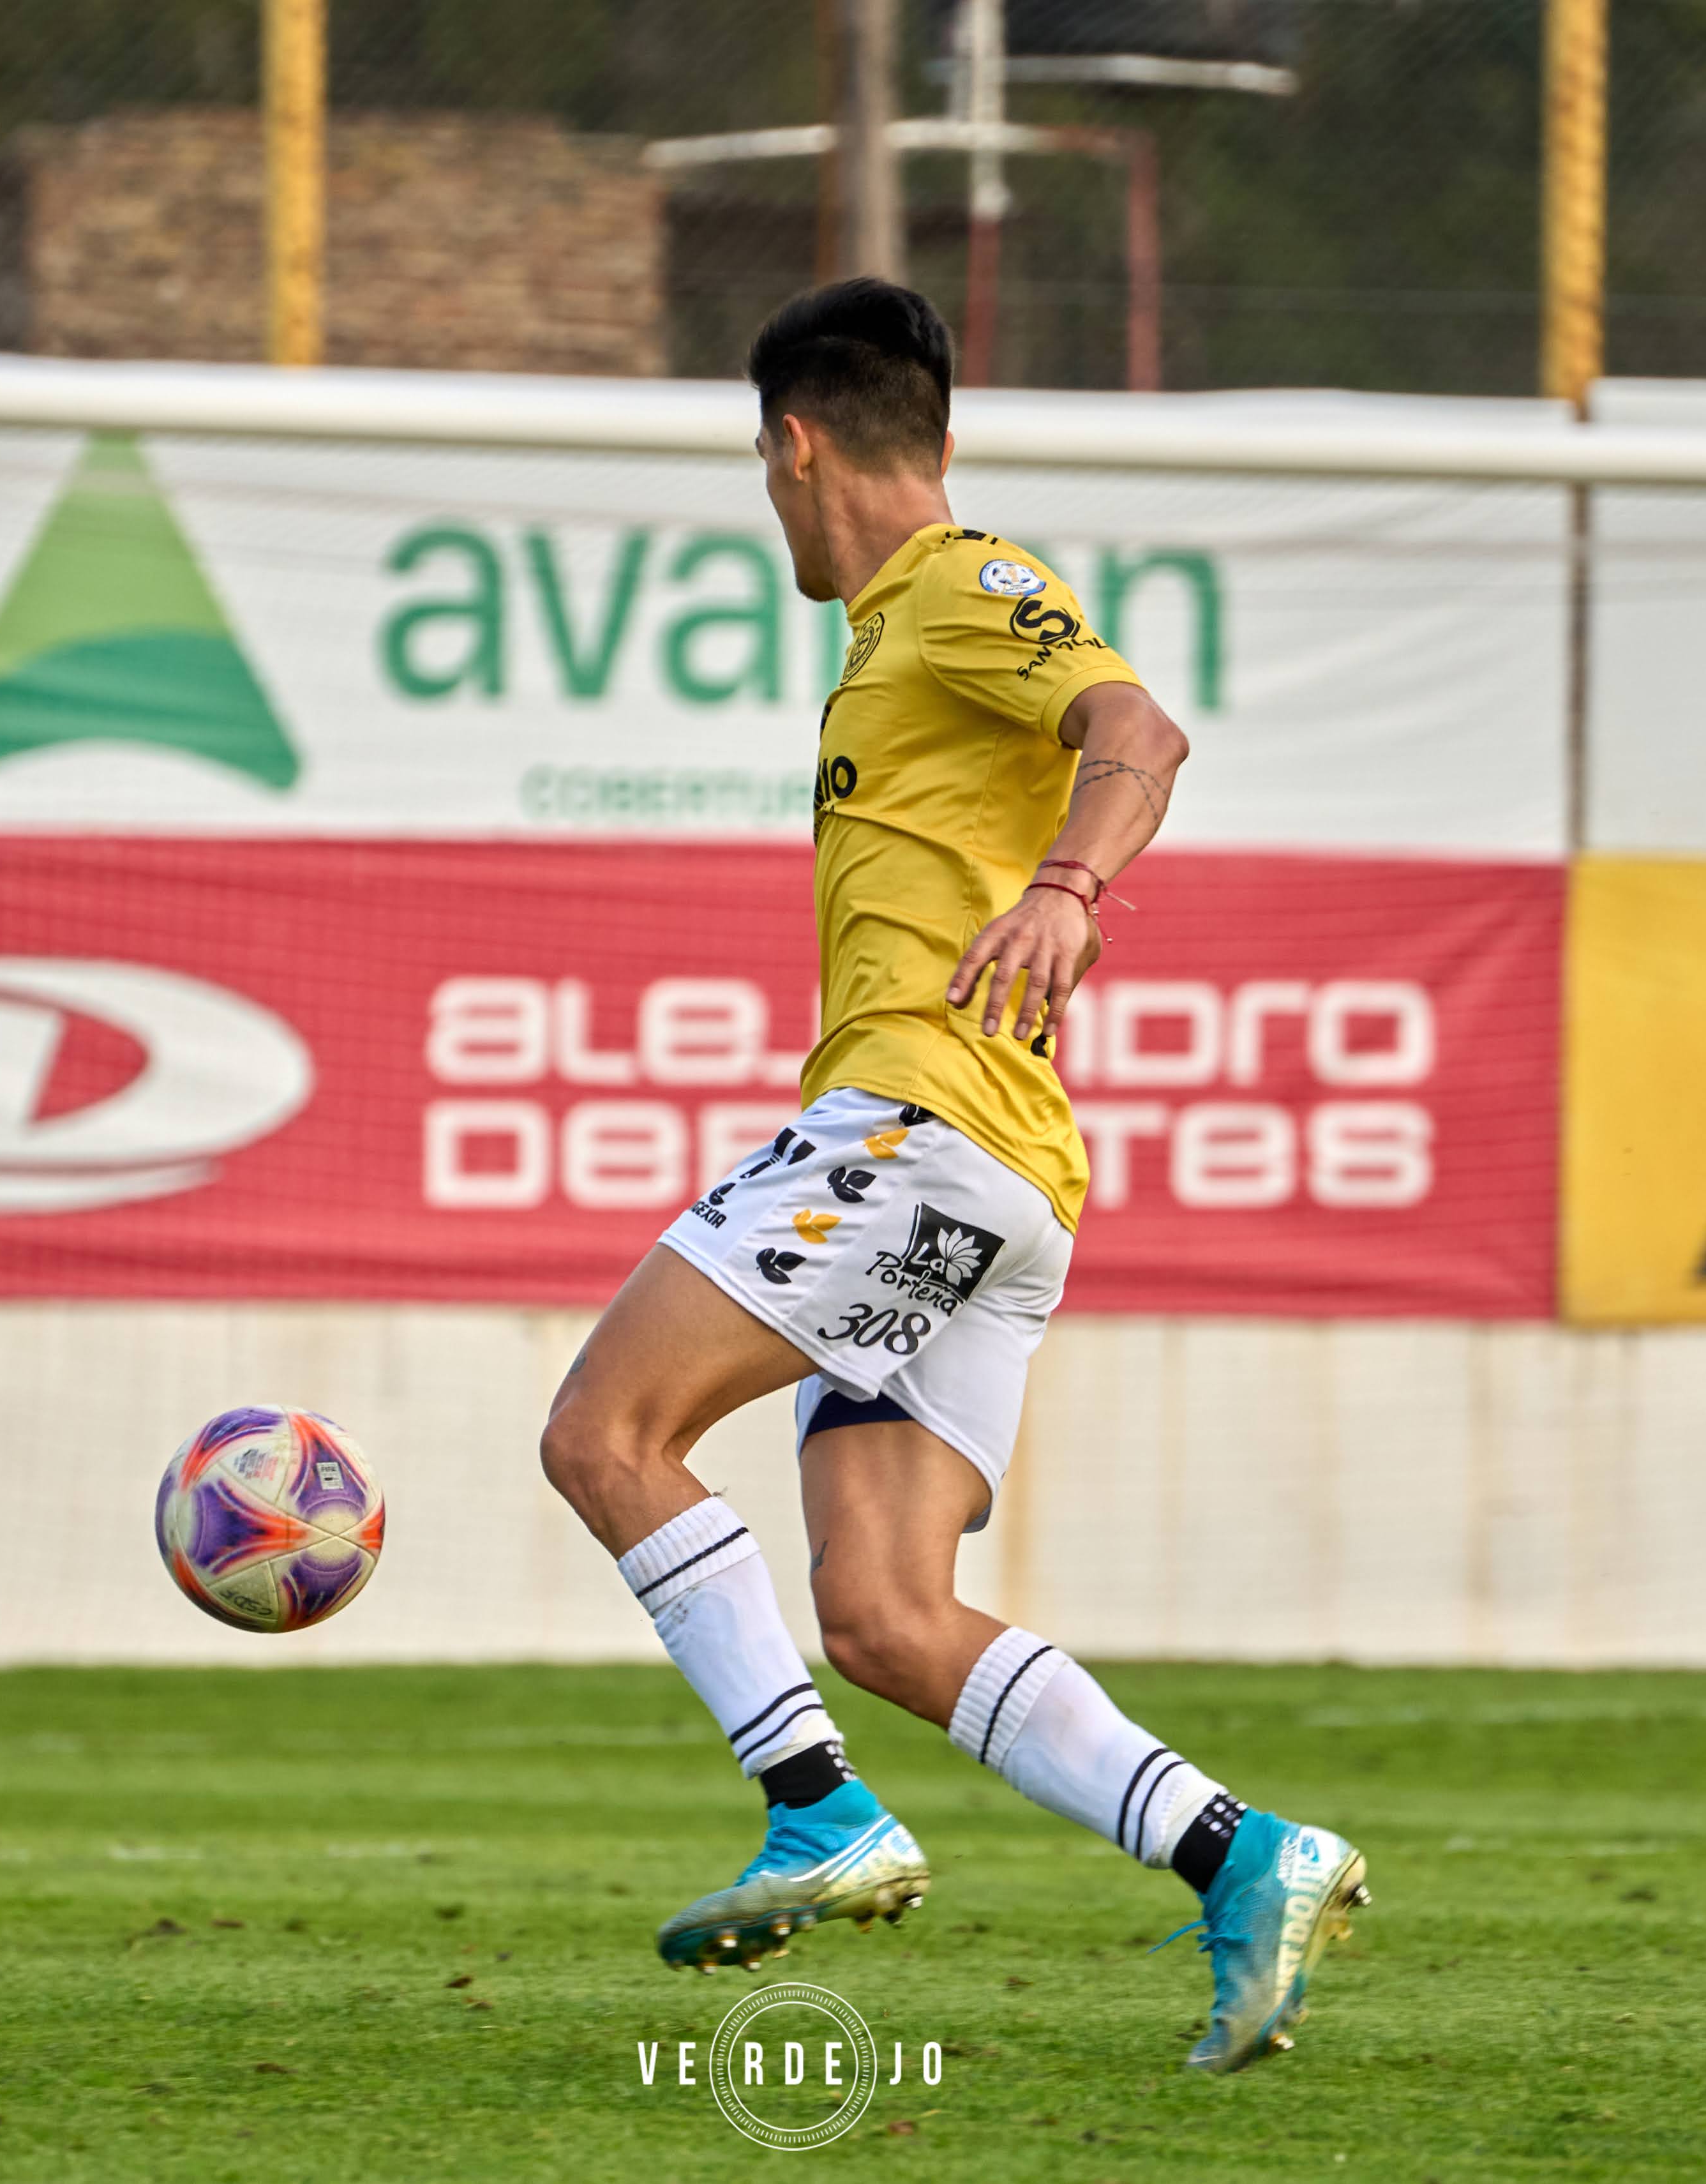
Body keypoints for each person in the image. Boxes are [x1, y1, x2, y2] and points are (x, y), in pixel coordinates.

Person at [536, 278, 1366, 2075]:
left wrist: (1069, 889)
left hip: (919, 1131)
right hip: (1001, 1185)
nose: (770, 503)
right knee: (889, 1617)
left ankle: (821, 1816)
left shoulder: (961, 587)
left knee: (607, 1437)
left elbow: (1140, 734)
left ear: (796, 442)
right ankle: (1250, 1860)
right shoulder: (901, 633)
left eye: (764, 471)